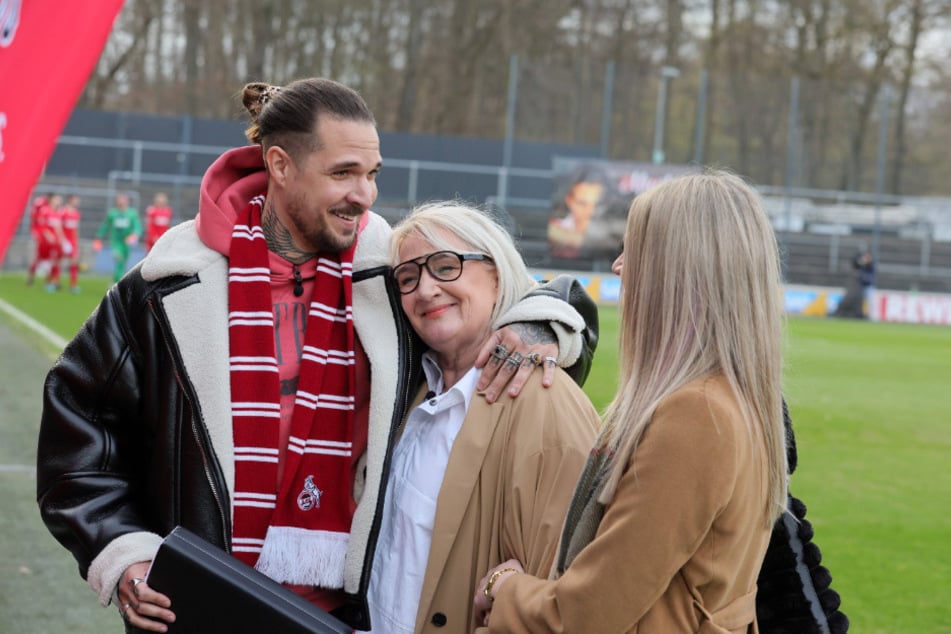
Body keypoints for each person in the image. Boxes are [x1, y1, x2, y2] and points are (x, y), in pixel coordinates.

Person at [37, 78, 597, 634]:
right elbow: (76, 429)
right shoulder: (166, 286)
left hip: (353, 616)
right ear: (281, 165)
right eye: (343, 174)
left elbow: (522, 293)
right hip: (198, 610)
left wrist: (538, 324)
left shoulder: (390, 272)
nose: (366, 194)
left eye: (372, 173)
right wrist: (124, 554)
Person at [474, 170, 788, 632]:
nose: (619, 267)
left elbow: (586, 615)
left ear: (677, 269)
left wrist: (503, 587)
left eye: (634, 251)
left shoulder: (696, 414)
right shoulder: (733, 399)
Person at [364, 202, 600, 633]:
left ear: (496, 273)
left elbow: (571, 589)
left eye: (445, 266)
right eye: (408, 277)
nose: (425, 289)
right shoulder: (408, 393)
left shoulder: (544, 401)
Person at [547, 165, 605, 259]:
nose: (589, 211)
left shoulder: (608, 234)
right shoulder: (556, 228)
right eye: (582, 203)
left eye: (596, 204)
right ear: (569, 200)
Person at [94, 192, 142, 282]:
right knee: (119, 259)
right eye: (119, 200)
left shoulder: (132, 214)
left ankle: (118, 280)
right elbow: (105, 226)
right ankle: (118, 281)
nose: (121, 202)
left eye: (123, 200)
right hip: (116, 242)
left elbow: (137, 227)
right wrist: (98, 237)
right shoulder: (112, 213)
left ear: (127, 201)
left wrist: (134, 235)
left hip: (126, 243)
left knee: (123, 262)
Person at [61, 194, 83, 293]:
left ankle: (73, 285)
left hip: (72, 241)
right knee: (58, 261)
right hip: (63, 240)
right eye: (75, 200)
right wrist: (62, 240)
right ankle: (53, 282)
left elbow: (76, 229)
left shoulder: (77, 213)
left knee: (74, 262)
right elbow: (59, 227)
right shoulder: (63, 212)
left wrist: (76, 241)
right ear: (70, 200)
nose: (77, 202)